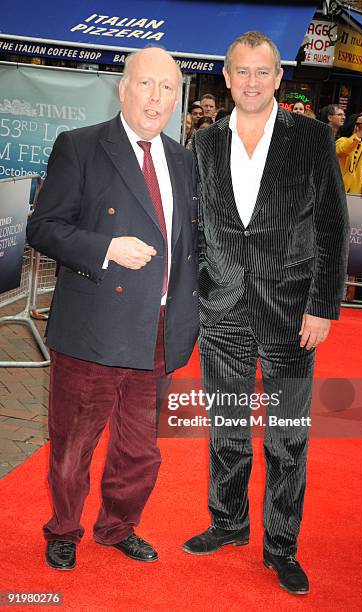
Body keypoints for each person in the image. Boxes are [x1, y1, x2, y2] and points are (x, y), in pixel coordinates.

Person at [182, 31, 349, 596]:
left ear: (279, 78)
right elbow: (199, 224)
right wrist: (204, 284)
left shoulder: (312, 137)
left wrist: (323, 306)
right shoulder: (204, 142)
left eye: (262, 72)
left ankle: (281, 547)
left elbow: (331, 226)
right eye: (241, 72)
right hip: (223, 310)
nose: (251, 82)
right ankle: (228, 522)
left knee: (287, 437)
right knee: (226, 426)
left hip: (290, 312)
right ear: (225, 77)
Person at [26, 47, 199, 571]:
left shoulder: (183, 160)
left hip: (159, 330)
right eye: (146, 85)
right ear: (122, 89)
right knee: (74, 443)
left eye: (167, 88)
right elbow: (43, 227)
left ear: (178, 97)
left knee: (140, 450)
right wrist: (105, 248)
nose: (156, 98)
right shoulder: (80, 146)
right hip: (94, 328)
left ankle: (118, 527)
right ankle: (64, 528)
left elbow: (193, 242)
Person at [336, 113, 362, 196]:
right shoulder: (341, 141)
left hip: (355, 195)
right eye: (359, 125)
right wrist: (357, 135)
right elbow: (342, 151)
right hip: (336, 191)